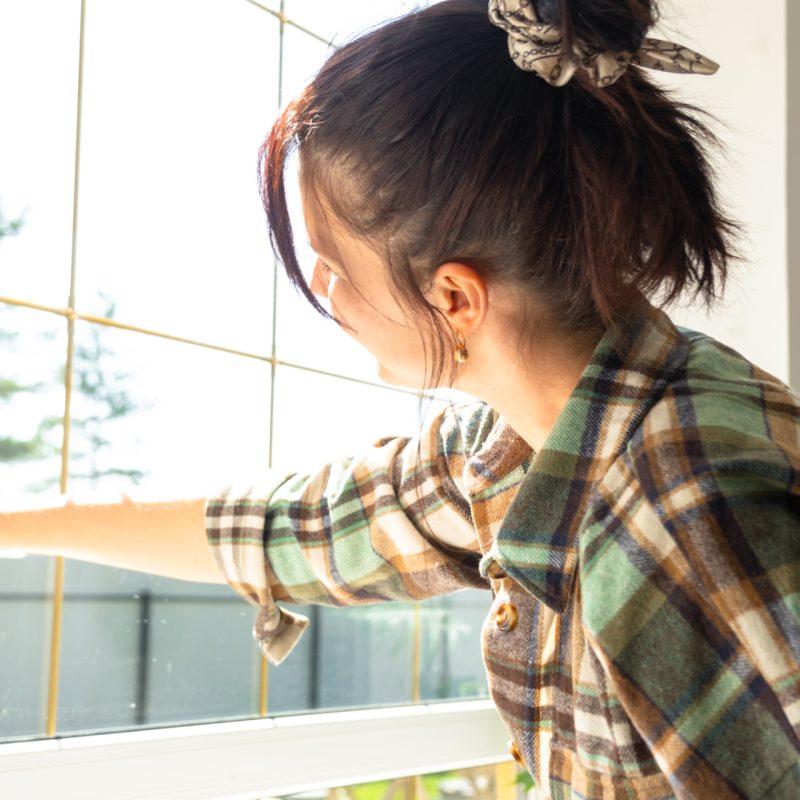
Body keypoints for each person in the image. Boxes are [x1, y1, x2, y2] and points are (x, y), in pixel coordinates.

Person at [2, 0, 799, 797]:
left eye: (332, 263)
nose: (322, 290)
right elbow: (290, 530)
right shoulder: (511, 452)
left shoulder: (685, 507)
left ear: (454, 297)